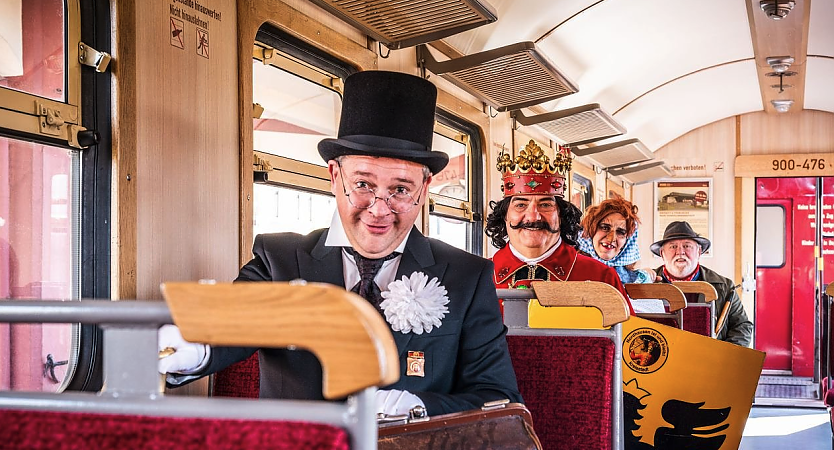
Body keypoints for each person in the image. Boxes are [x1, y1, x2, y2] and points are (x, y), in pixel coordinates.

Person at [158, 70, 522, 416]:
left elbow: (498, 398)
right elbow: (233, 326)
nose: (379, 210)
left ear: (424, 190)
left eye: (399, 190)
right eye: (363, 185)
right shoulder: (278, 260)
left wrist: (417, 408)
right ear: (335, 176)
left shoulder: (466, 277)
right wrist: (196, 347)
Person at [485, 140, 634, 315]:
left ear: (562, 216)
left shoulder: (601, 277)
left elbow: (628, 339)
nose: (533, 216)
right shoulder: (478, 277)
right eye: (520, 205)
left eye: (546, 205)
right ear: (505, 216)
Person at [651, 221, 753, 346]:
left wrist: (724, 355)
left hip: (707, 361)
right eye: (673, 247)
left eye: (687, 246)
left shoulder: (724, 286)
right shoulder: (646, 284)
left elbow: (742, 326)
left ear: (699, 252)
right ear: (662, 253)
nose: (680, 252)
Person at [577, 198, 657, 284]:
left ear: (627, 242)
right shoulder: (571, 269)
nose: (611, 238)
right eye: (605, 228)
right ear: (591, 231)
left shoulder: (636, 280)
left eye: (620, 232)